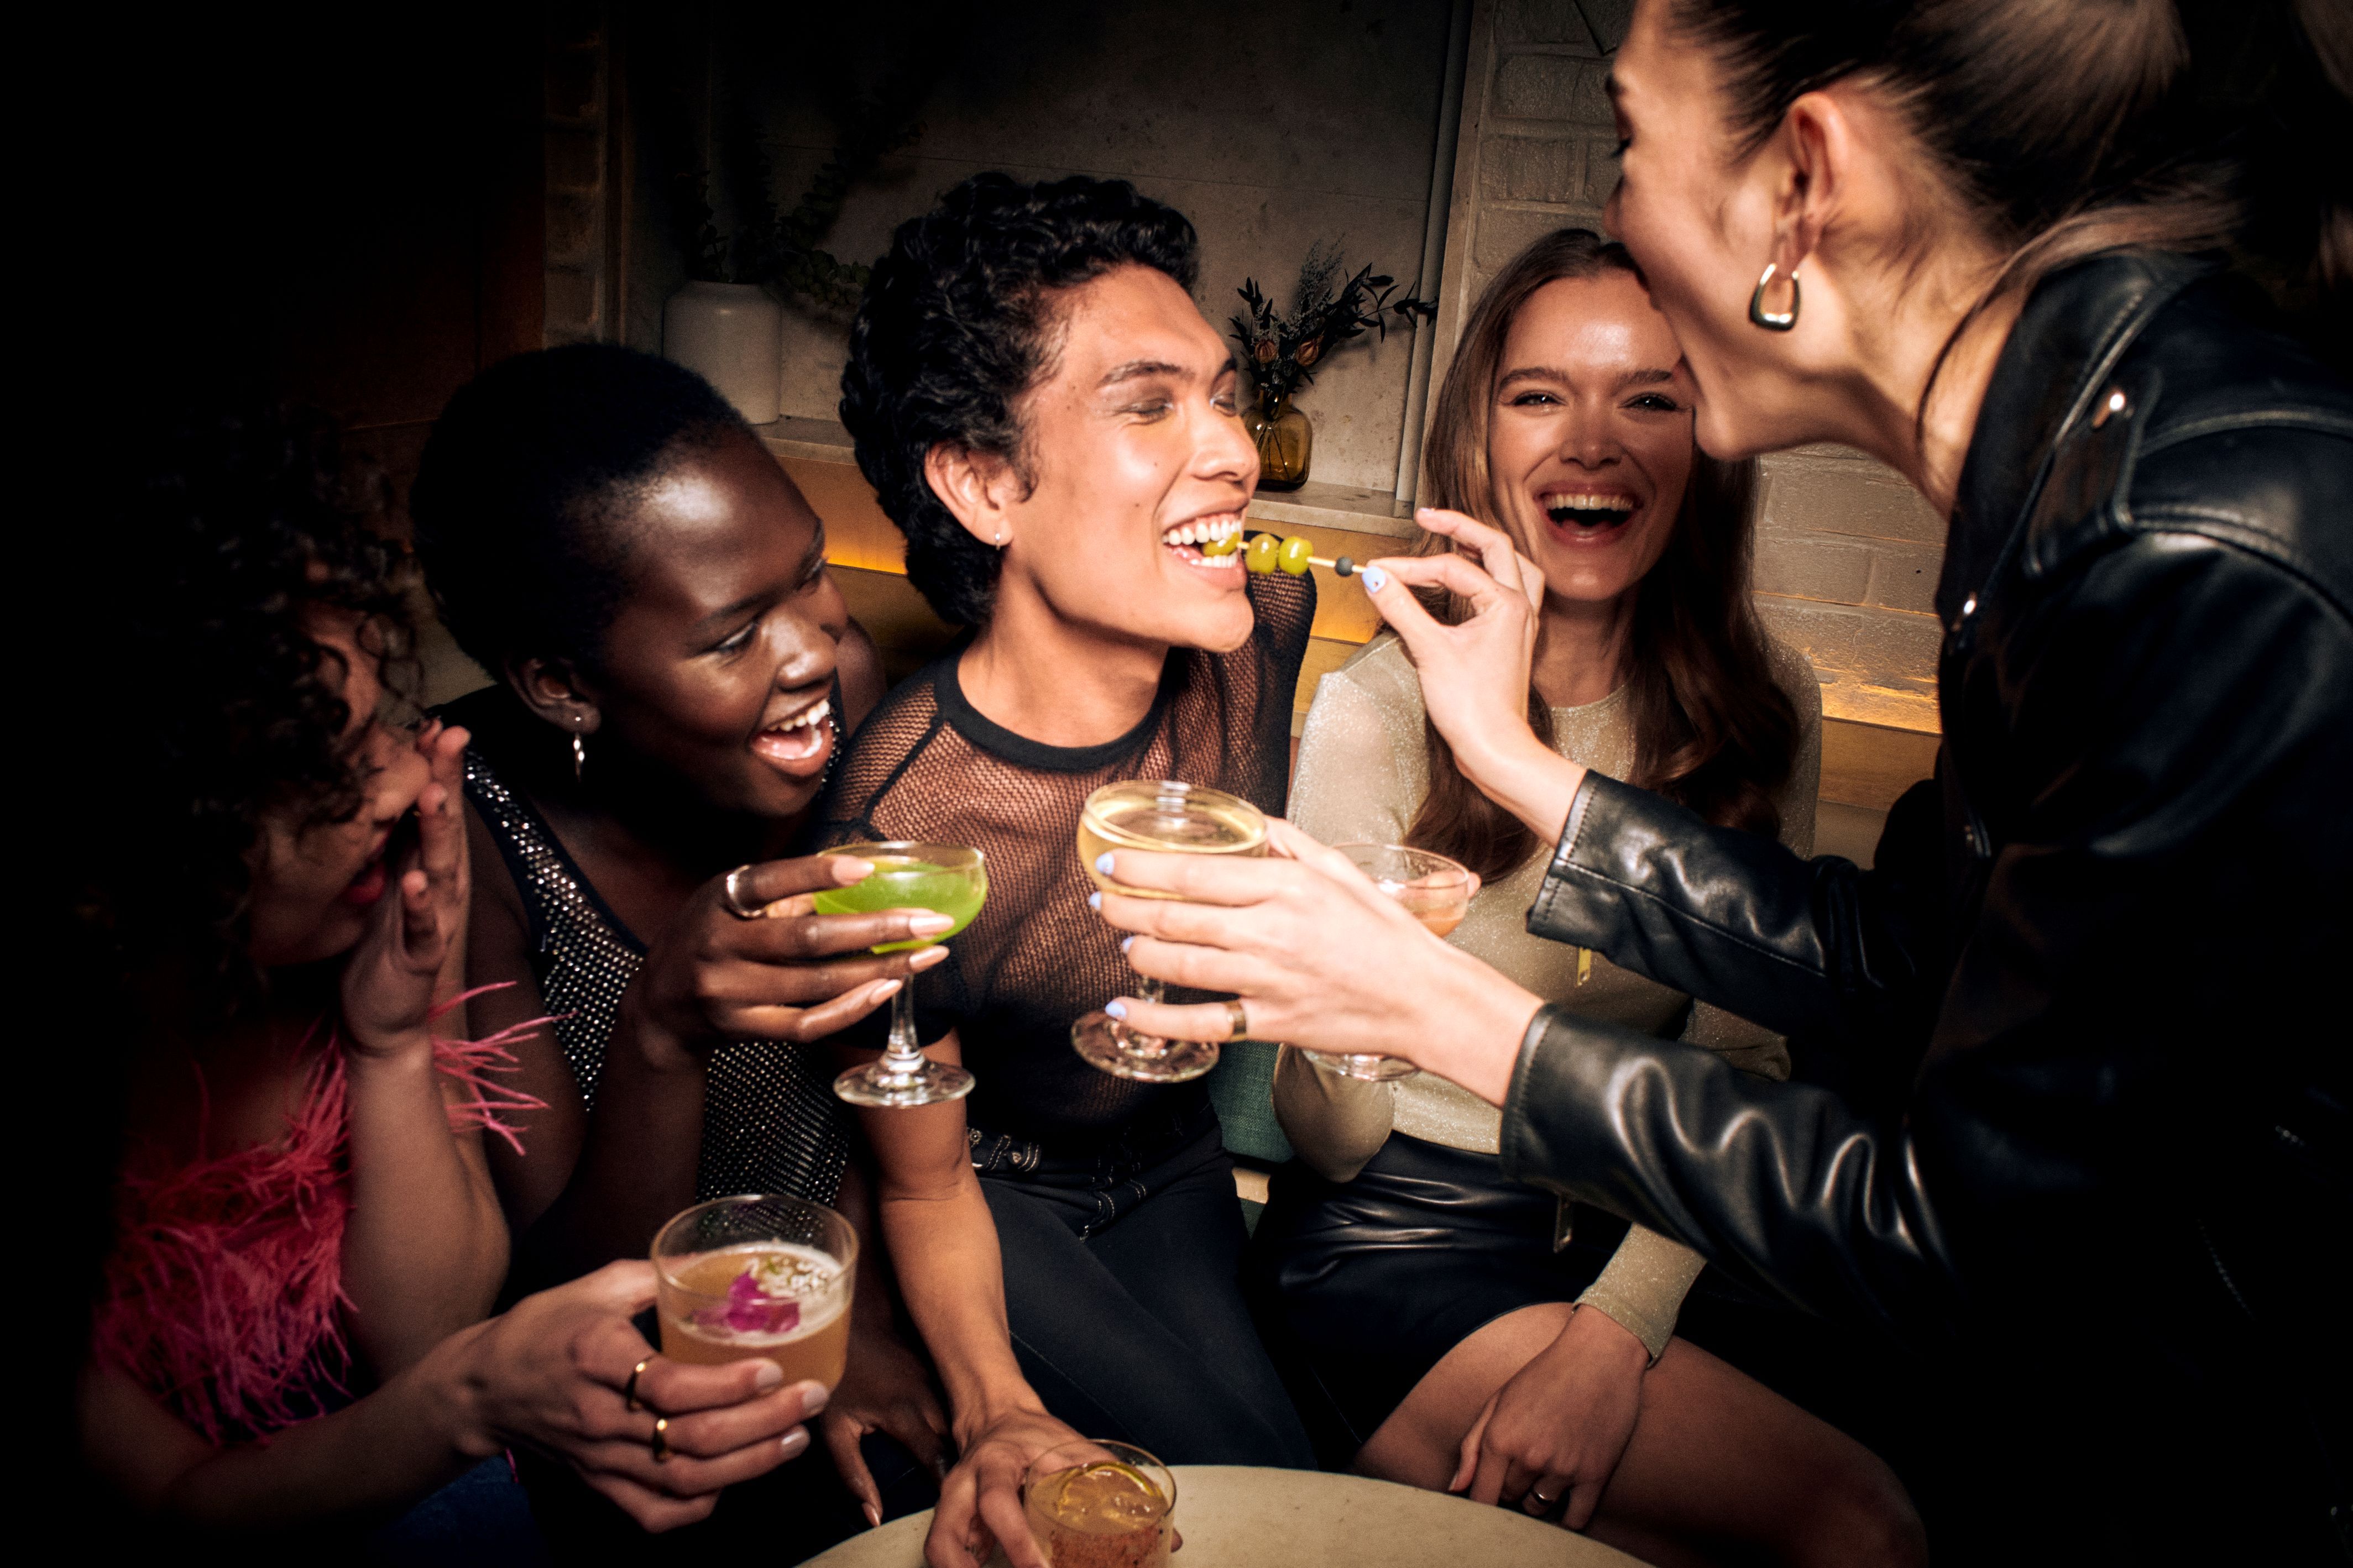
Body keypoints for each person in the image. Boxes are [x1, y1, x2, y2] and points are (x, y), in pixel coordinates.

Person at [1085, 0, 2353, 1560]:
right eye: (1540, 390)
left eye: (1627, 136)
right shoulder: (2086, 496)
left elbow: (1965, 1230)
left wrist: (1430, 1003)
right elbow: (1900, 967)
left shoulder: (2183, 540)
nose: (1616, 211)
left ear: (1803, 184)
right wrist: (1518, 771)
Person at [1264, 227, 1920, 1564]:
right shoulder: (1371, 713)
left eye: (1649, 398)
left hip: (1652, 1230)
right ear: (1480, 441)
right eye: (1539, 394)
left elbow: (1753, 1066)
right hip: (1404, 1236)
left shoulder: (1766, 705)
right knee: (1857, 1530)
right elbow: (1329, 1144)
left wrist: (1613, 1335)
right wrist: (1344, 1003)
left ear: (1708, 441)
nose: (1592, 440)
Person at [69, 402, 819, 1538]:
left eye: (383, 730)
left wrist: (392, 1037)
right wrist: (471, 1399)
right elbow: (180, 1504)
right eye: (311, 773)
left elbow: (422, 1338)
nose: (390, 791)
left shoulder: (376, 933)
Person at [823, 172, 1317, 1568]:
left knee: (1286, 1492)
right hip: (992, 1200)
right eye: (1149, 403)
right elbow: (916, 1182)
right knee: (1215, 1523)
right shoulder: (899, 822)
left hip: (1176, 1166)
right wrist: (996, 1408)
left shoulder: (1259, 628)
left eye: (1220, 395)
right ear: (983, 484)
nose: (1232, 447)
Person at [409, 344, 950, 1540]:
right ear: (562, 687)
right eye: (730, 635)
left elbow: (901, 1050)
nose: (810, 649)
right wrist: (662, 1027)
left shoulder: (844, 697)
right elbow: (571, 1293)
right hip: (623, 1371)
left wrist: (850, 1314)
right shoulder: (471, 823)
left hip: (852, 1273)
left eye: (809, 575)